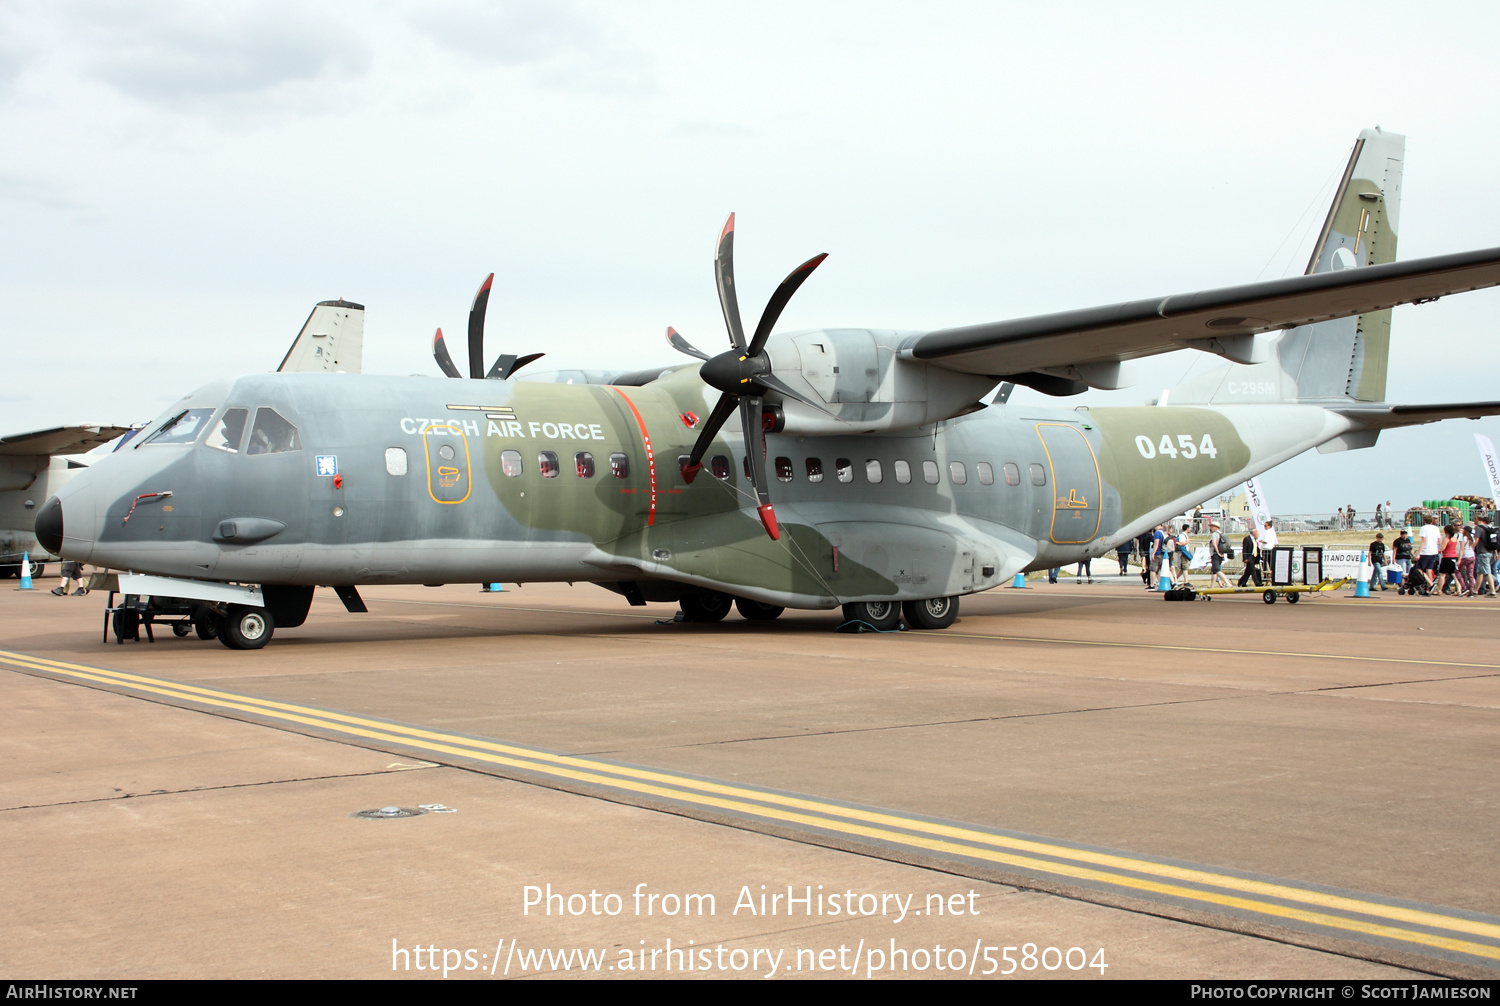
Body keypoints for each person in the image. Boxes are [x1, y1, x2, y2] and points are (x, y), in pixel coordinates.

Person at [1416, 515, 1441, 589]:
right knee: (1429, 569)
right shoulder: (1436, 528)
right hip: (1434, 551)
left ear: (1424, 521)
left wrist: (1418, 553)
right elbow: (1439, 541)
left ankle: (1430, 583)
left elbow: (1423, 540)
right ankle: (1430, 585)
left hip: (1426, 551)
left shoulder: (1424, 528)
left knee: (1419, 569)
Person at [1474, 515, 1496, 596]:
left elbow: (1476, 540)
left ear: (1478, 519)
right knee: (1480, 572)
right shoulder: (1490, 528)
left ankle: (1493, 591)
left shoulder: (1479, 528)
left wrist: (1472, 547)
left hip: (1483, 552)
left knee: (1487, 572)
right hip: (1489, 551)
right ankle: (1475, 591)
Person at [1209, 522, 1233, 588]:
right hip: (1220, 553)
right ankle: (1212, 586)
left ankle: (1227, 583)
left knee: (1217, 570)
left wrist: (1217, 552)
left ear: (1215, 527)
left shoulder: (1214, 534)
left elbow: (1214, 544)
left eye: (1212, 527)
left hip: (1216, 554)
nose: (1210, 528)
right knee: (1214, 571)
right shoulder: (1220, 534)